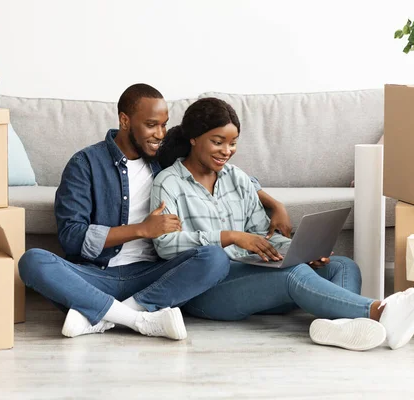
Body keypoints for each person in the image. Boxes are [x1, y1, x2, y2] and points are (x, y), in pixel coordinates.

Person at [151, 97, 414, 351]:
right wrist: (229, 237)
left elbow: (262, 235)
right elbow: (165, 246)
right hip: (207, 291)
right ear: (193, 138)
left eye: (233, 143)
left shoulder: (237, 179)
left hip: (253, 277)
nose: (226, 151)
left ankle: (338, 328)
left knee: (342, 266)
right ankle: (382, 312)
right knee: (293, 275)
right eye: (217, 142)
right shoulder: (169, 184)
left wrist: (298, 251)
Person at [18, 84, 292, 341]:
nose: (160, 134)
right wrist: (141, 230)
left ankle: (101, 315)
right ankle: (138, 320)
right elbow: (71, 237)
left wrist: (275, 204)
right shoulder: (86, 164)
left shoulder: (162, 161)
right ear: (125, 121)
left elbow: (224, 171)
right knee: (33, 261)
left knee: (213, 257)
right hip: (98, 275)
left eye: (163, 125)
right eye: (151, 125)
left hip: (155, 275)